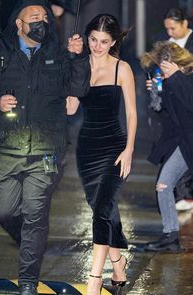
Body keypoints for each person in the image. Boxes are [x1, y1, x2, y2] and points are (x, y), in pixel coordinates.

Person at [0, 0, 90, 294]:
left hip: (45, 152)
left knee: (35, 215)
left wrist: (78, 58)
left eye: (44, 17)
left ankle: (28, 281)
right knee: (3, 212)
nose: (42, 21)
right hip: (7, 152)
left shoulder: (59, 54)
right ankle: (31, 240)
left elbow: (78, 88)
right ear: (19, 23)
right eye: (34, 17)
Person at [67, 14, 137, 295]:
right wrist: (72, 63)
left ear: (114, 42)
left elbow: (131, 114)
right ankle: (119, 261)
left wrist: (130, 149)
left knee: (103, 212)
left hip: (115, 148)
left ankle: (95, 280)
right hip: (87, 149)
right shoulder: (80, 65)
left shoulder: (122, 68)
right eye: (93, 39)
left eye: (104, 41)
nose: (97, 46)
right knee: (102, 209)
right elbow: (70, 109)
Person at [141, 41, 193, 252]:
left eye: (165, 67)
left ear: (176, 63)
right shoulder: (171, 82)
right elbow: (167, 114)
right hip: (184, 144)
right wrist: (156, 94)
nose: (162, 71)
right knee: (163, 184)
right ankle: (170, 236)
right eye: (160, 68)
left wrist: (175, 77)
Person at [150, 8, 193, 211]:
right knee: (171, 169)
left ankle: (190, 195)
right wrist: (157, 87)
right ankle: (180, 203)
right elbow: (154, 70)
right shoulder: (164, 42)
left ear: (185, 23)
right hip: (178, 116)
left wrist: (180, 77)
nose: (169, 32)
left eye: (173, 27)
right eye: (166, 28)